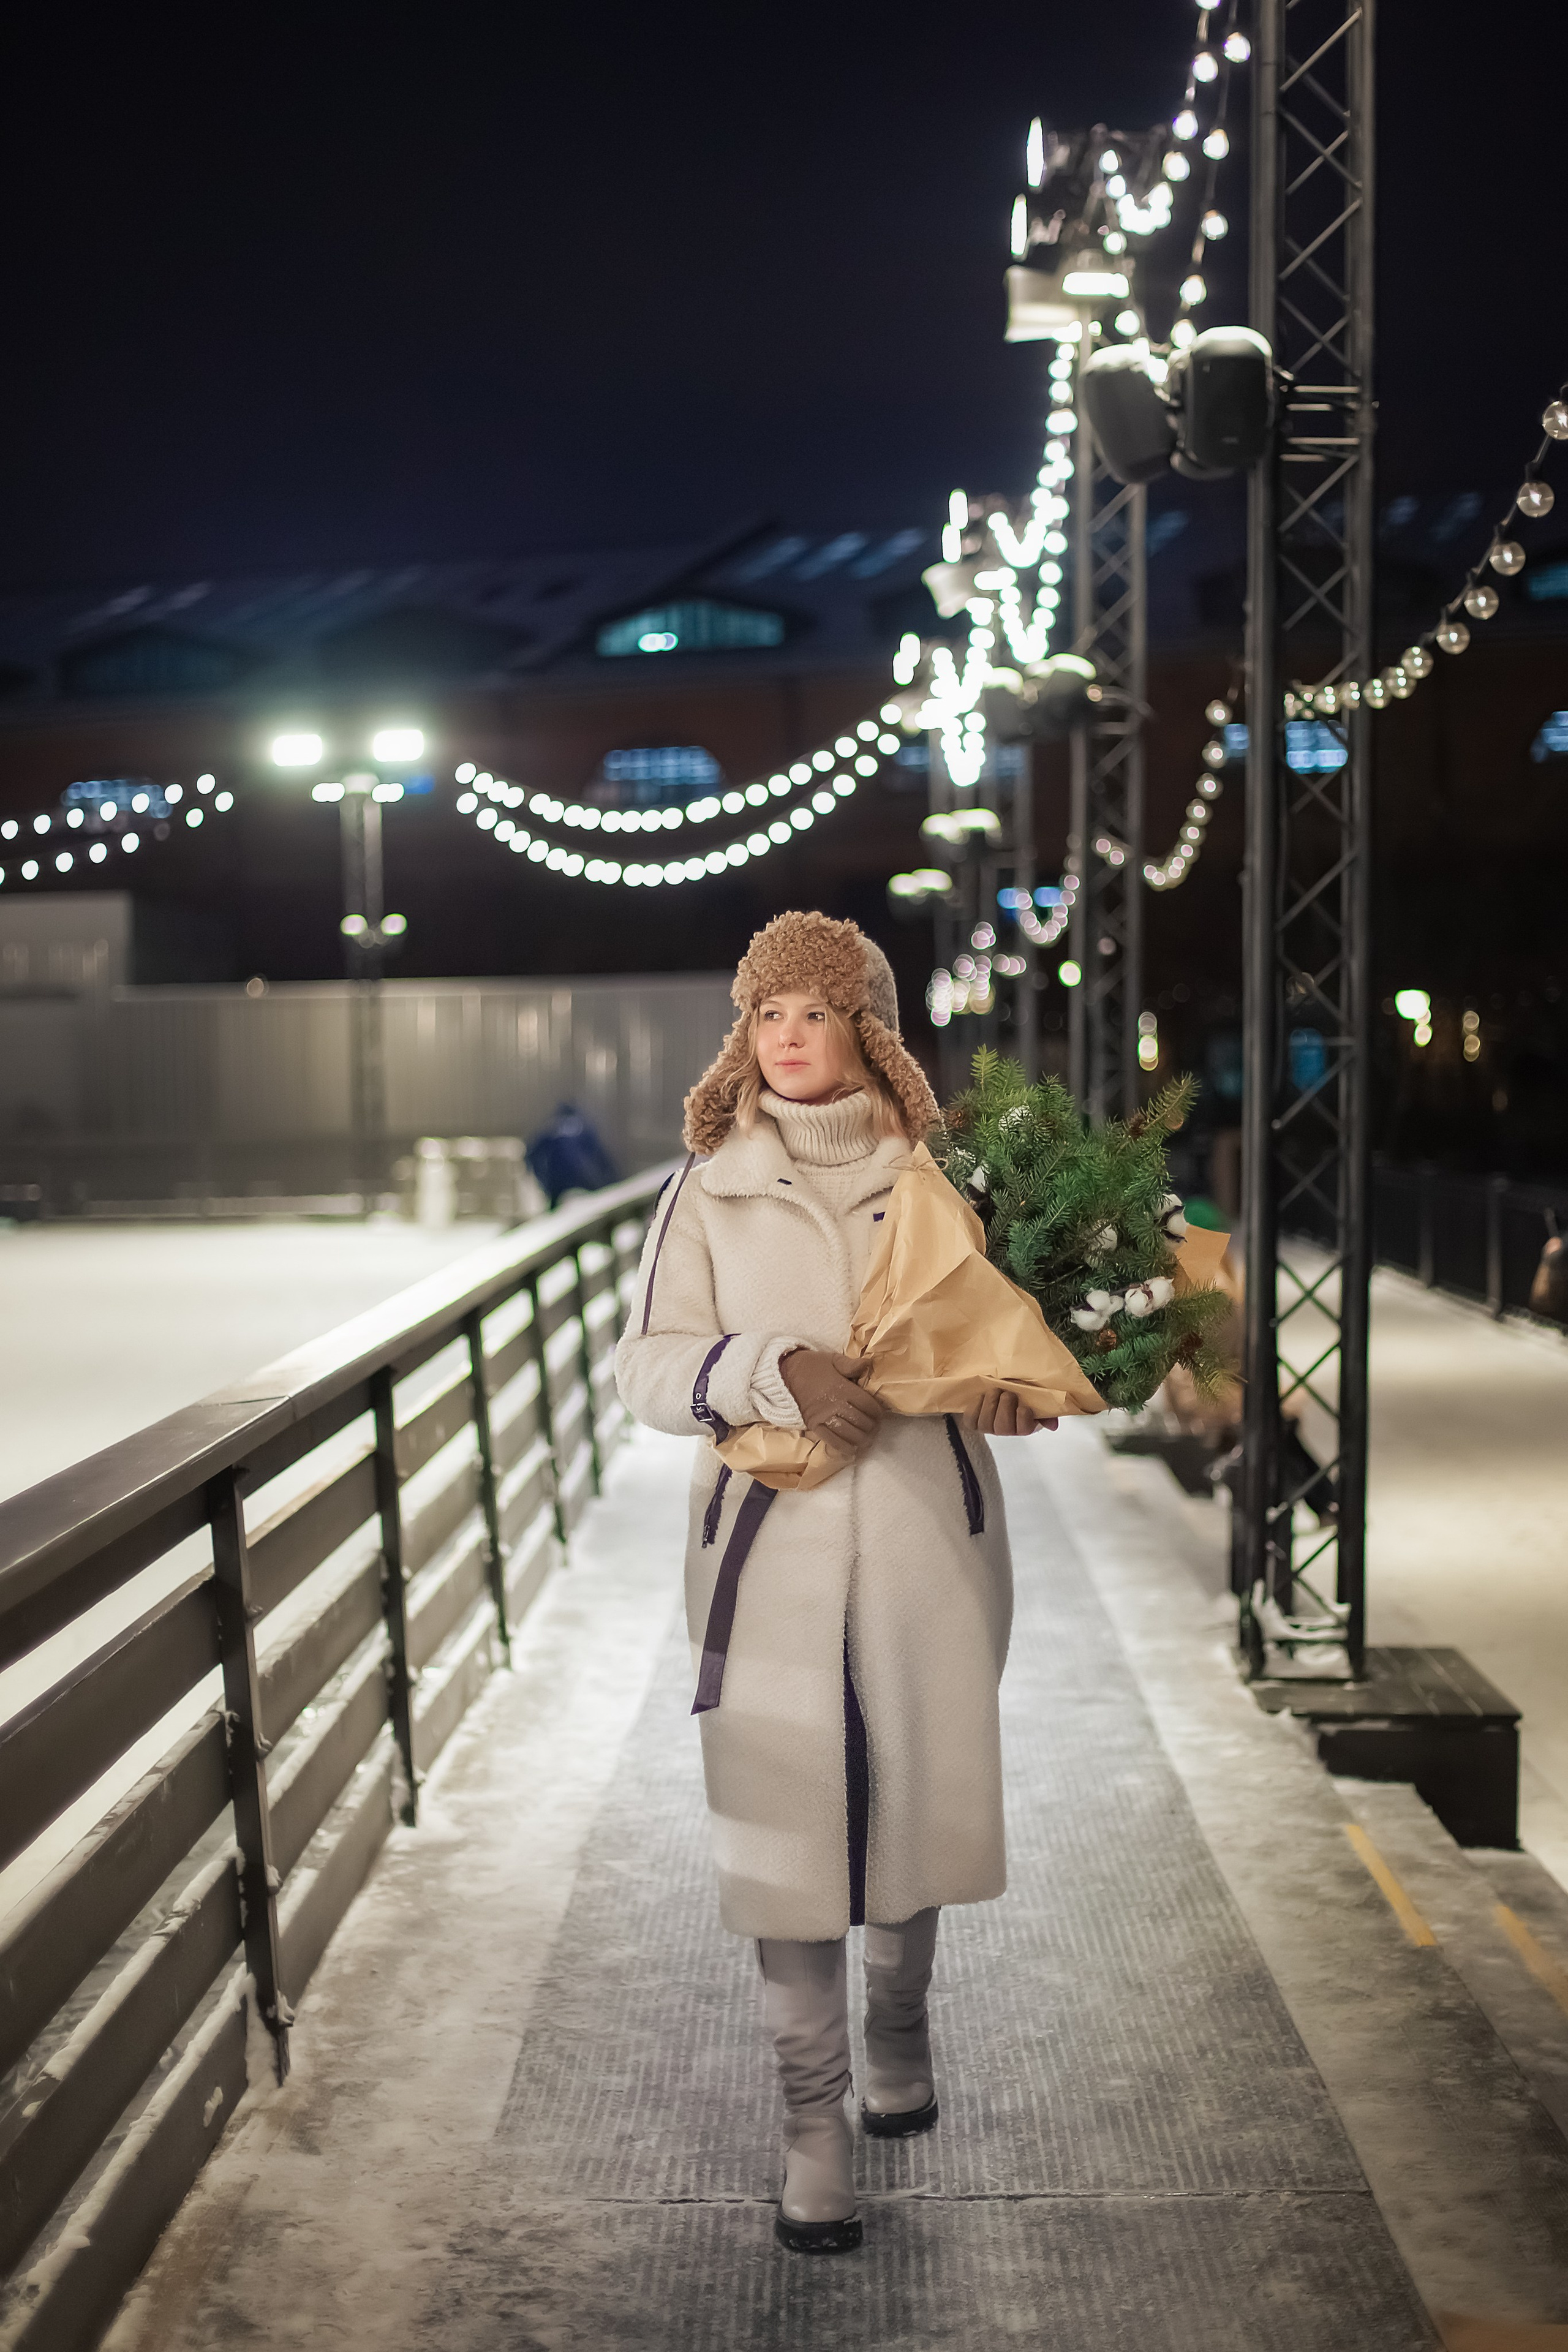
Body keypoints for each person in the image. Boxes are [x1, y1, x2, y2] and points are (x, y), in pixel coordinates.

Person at [615, 910, 1052, 2255]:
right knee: (784, 1837)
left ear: (865, 1027)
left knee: (912, 1798)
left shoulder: (946, 1173)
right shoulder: (706, 1186)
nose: (788, 1038)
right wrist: (772, 1370)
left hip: (931, 1544)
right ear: (740, 1036)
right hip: (765, 1562)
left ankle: (898, 2027)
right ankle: (813, 2131)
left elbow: (1007, 1327)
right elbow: (643, 1372)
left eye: (815, 1012)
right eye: (765, 1016)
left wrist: (1014, 1387)